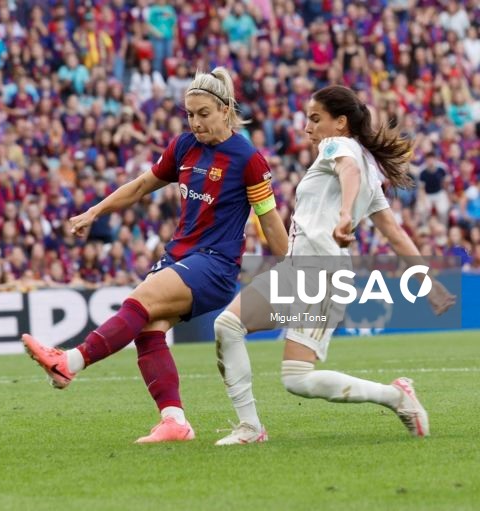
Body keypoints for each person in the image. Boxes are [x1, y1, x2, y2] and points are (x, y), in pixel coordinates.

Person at [22, 67, 289, 443]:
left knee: (139, 300)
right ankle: (174, 421)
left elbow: (270, 221)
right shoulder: (184, 147)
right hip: (180, 255)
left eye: (204, 114)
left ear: (225, 110)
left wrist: (295, 267)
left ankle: (69, 362)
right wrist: (95, 211)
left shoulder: (248, 158)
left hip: (215, 264)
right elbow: (143, 185)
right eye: (190, 115)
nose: (195, 123)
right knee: (148, 331)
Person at [213, 85, 457, 446]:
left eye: (315, 119)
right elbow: (394, 233)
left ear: (340, 123)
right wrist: (431, 284)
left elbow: (348, 172)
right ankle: (250, 428)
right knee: (228, 325)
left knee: (296, 378)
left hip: (320, 274)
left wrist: (345, 214)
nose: (308, 128)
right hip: (296, 271)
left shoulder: (339, 147)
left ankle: (396, 396)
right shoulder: (368, 171)